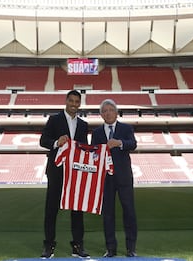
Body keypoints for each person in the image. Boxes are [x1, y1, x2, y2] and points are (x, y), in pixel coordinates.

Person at [39, 90, 90, 258]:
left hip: (76, 173)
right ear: (66, 101)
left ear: (80, 104)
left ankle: (78, 245)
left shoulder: (83, 125)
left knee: (77, 211)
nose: (74, 104)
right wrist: (56, 142)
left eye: (77, 102)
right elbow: (43, 141)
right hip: (57, 171)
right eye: (71, 101)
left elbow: (84, 148)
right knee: (51, 209)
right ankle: (48, 245)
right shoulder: (54, 120)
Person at [91, 98, 138, 258]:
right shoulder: (96, 133)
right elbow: (94, 153)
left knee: (129, 212)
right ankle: (110, 249)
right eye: (104, 111)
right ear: (101, 115)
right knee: (108, 214)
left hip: (124, 177)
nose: (108, 113)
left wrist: (119, 143)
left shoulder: (126, 128)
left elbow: (133, 144)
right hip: (105, 179)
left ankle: (131, 248)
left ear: (116, 113)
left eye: (111, 110)